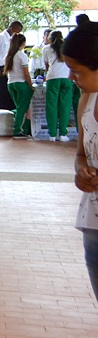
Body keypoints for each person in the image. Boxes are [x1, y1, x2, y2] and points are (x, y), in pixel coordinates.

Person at [64, 22, 98, 300]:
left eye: (78, 70)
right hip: (94, 221)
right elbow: (81, 154)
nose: (71, 76)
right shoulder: (86, 100)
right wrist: (81, 172)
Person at [43, 31, 74, 142]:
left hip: (52, 78)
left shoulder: (46, 48)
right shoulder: (68, 47)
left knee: (51, 106)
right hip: (67, 78)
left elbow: (46, 65)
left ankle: (52, 135)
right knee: (65, 106)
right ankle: (63, 134)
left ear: (50, 39)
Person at [0, 21, 23, 110]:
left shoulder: (12, 39)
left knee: (11, 94)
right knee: (4, 94)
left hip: (11, 68)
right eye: (17, 32)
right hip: (1, 69)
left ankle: (11, 117)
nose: (18, 34)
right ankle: (2, 118)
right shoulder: (1, 38)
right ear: (11, 29)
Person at [5, 33, 34, 138]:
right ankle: (18, 130)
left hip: (11, 83)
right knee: (22, 108)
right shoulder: (22, 55)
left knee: (18, 108)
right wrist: (31, 86)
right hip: (21, 84)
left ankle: (22, 128)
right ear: (23, 43)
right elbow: (26, 74)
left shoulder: (8, 55)